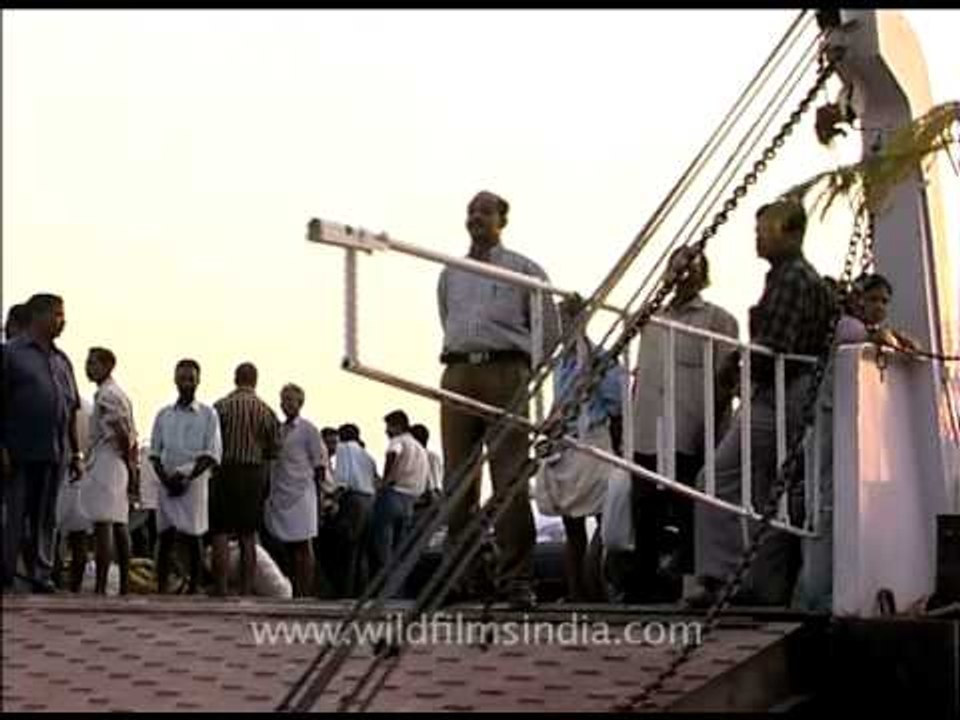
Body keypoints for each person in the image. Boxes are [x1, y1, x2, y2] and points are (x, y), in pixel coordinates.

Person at [689, 198, 832, 607]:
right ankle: (760, 584)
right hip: (791, 392)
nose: (757, 237)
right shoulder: (793, 277)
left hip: (783, 394)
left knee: (721, 479)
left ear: (791, 232)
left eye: (764, 229)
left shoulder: (791, 279)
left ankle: (725, 577)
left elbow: (777, 346)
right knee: (769, 492)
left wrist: (734, 364)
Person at [437, 190, 560, 610]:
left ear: (502, 220)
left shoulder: (525, 270)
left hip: (506, 371)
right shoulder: (451, 272)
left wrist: (530, 378)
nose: (475, 218)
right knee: (457, 481)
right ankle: (461, 576)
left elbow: (549, 330)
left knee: (509, 478)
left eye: (484, 212)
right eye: (471, 210)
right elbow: (446, 317)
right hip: (458, 370)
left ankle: (516, 578)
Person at [626, 246, 739, 602]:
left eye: (691, 268)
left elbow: (726, 379)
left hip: (690, 427)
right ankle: (643, 588)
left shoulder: (718, 320)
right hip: (647, 427)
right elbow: (640, 374)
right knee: (644, 509)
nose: (683, 274)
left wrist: (714, 426)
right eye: (677, 267)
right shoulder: (650, 320)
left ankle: (692, 584)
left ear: (703, 274)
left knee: (689, 509)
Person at [535, 293, 624, 602]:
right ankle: (577, 594)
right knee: (571, 524)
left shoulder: (600, 358)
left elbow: (617, 403)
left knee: (604, 518)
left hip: (593, 443)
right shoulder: (562, 364)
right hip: (567, 444)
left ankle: (596, 586)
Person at [2, 293, 83, 593]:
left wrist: (77, 453)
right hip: (20, 450)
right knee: (17, 514)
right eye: (58, 315)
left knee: (46, 516)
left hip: (55, 451)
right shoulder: (11, 354)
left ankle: (41, 574)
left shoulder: (62, 361)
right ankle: (10, 575)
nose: (63, 321)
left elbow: (71, 408)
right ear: (39, 316)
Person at [149, 359, 222, 594]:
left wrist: (187, 478)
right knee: (165, 535)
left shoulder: (209, 415)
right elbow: (154, 453)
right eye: (182, 378)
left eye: (191, 378)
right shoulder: (163, 415)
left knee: (194, 535)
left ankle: (194, 587)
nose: (186, 383)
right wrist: (166, 479)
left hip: (194, 482)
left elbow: (211, 454)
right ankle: (161, 586)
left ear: (198, 381)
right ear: (175, 380)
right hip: (167, 481)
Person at [210, 362, 280, 597]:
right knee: (247, 535)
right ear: (255, 380)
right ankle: (246, 589)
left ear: (235, 378)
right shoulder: (267, 411)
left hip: (225, 472)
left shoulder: (221, 407)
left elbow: (211, 444)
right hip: (253, 475)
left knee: (219, 531)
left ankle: (220, 587)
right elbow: (272, 453)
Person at [264, 383, 333, 598]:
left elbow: (320, 464)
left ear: (300, 403)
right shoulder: (280, 431)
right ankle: (294, 589)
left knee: (304, 544)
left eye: (291, 400)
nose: (286, 404)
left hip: (303, 494)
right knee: (289, 547)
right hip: (282, 493)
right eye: (283, 400)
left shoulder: (308, 430)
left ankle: (305, 593)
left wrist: (321, 496)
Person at [82, 347, 138, 595]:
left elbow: (123, 433)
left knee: (105, 522)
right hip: (115, 460)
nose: (88, 367)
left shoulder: (108, 395)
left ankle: (102, 585)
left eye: (93, 363)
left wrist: (127, 459)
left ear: (107, 366)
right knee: (118, 522)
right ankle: (124, 584)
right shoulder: (114, 393)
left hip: (108, 458)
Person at [370, 410, 429, 583]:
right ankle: (396, 590)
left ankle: (382, 586)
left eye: (388, 426)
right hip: (410, 501)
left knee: (383, 549)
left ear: (397, 426)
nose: (386, 431)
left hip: (393, 496)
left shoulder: (398, 441)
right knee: (400, 551)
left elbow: (393, 453)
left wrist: (385, 480)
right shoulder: (419, 448)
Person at [332, 423, 379, 597]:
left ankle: (346, 592)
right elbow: (376, 478)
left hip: (353, 502)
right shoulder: (367, 455)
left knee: (347, 549)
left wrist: (332, 500)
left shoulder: (343, 448)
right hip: (369, 501)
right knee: (362, 551)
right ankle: (361, 592)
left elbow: (343, 479)